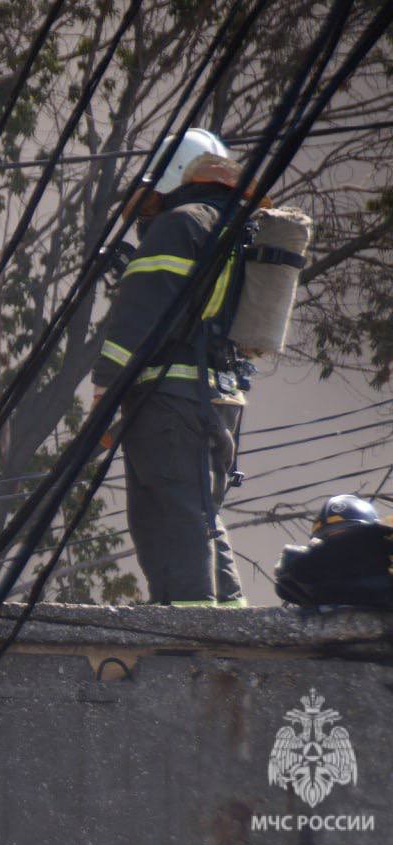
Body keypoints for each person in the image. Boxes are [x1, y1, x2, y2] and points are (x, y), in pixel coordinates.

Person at [91, 128, 254, 607]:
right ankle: (230, 625)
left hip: (171, 402)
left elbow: (138, 315)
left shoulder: (181, 223)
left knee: (171, 519)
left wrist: (105, 391)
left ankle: (192, 638)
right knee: (198, 515)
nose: (148, 213)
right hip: (220, 400)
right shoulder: (233, 226)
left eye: (151, 200)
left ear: (172, 178)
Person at [274, 494, 393, 609]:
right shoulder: (315, 583)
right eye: (329, 540)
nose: (339, 552)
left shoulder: (385, 560)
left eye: (346, 537)